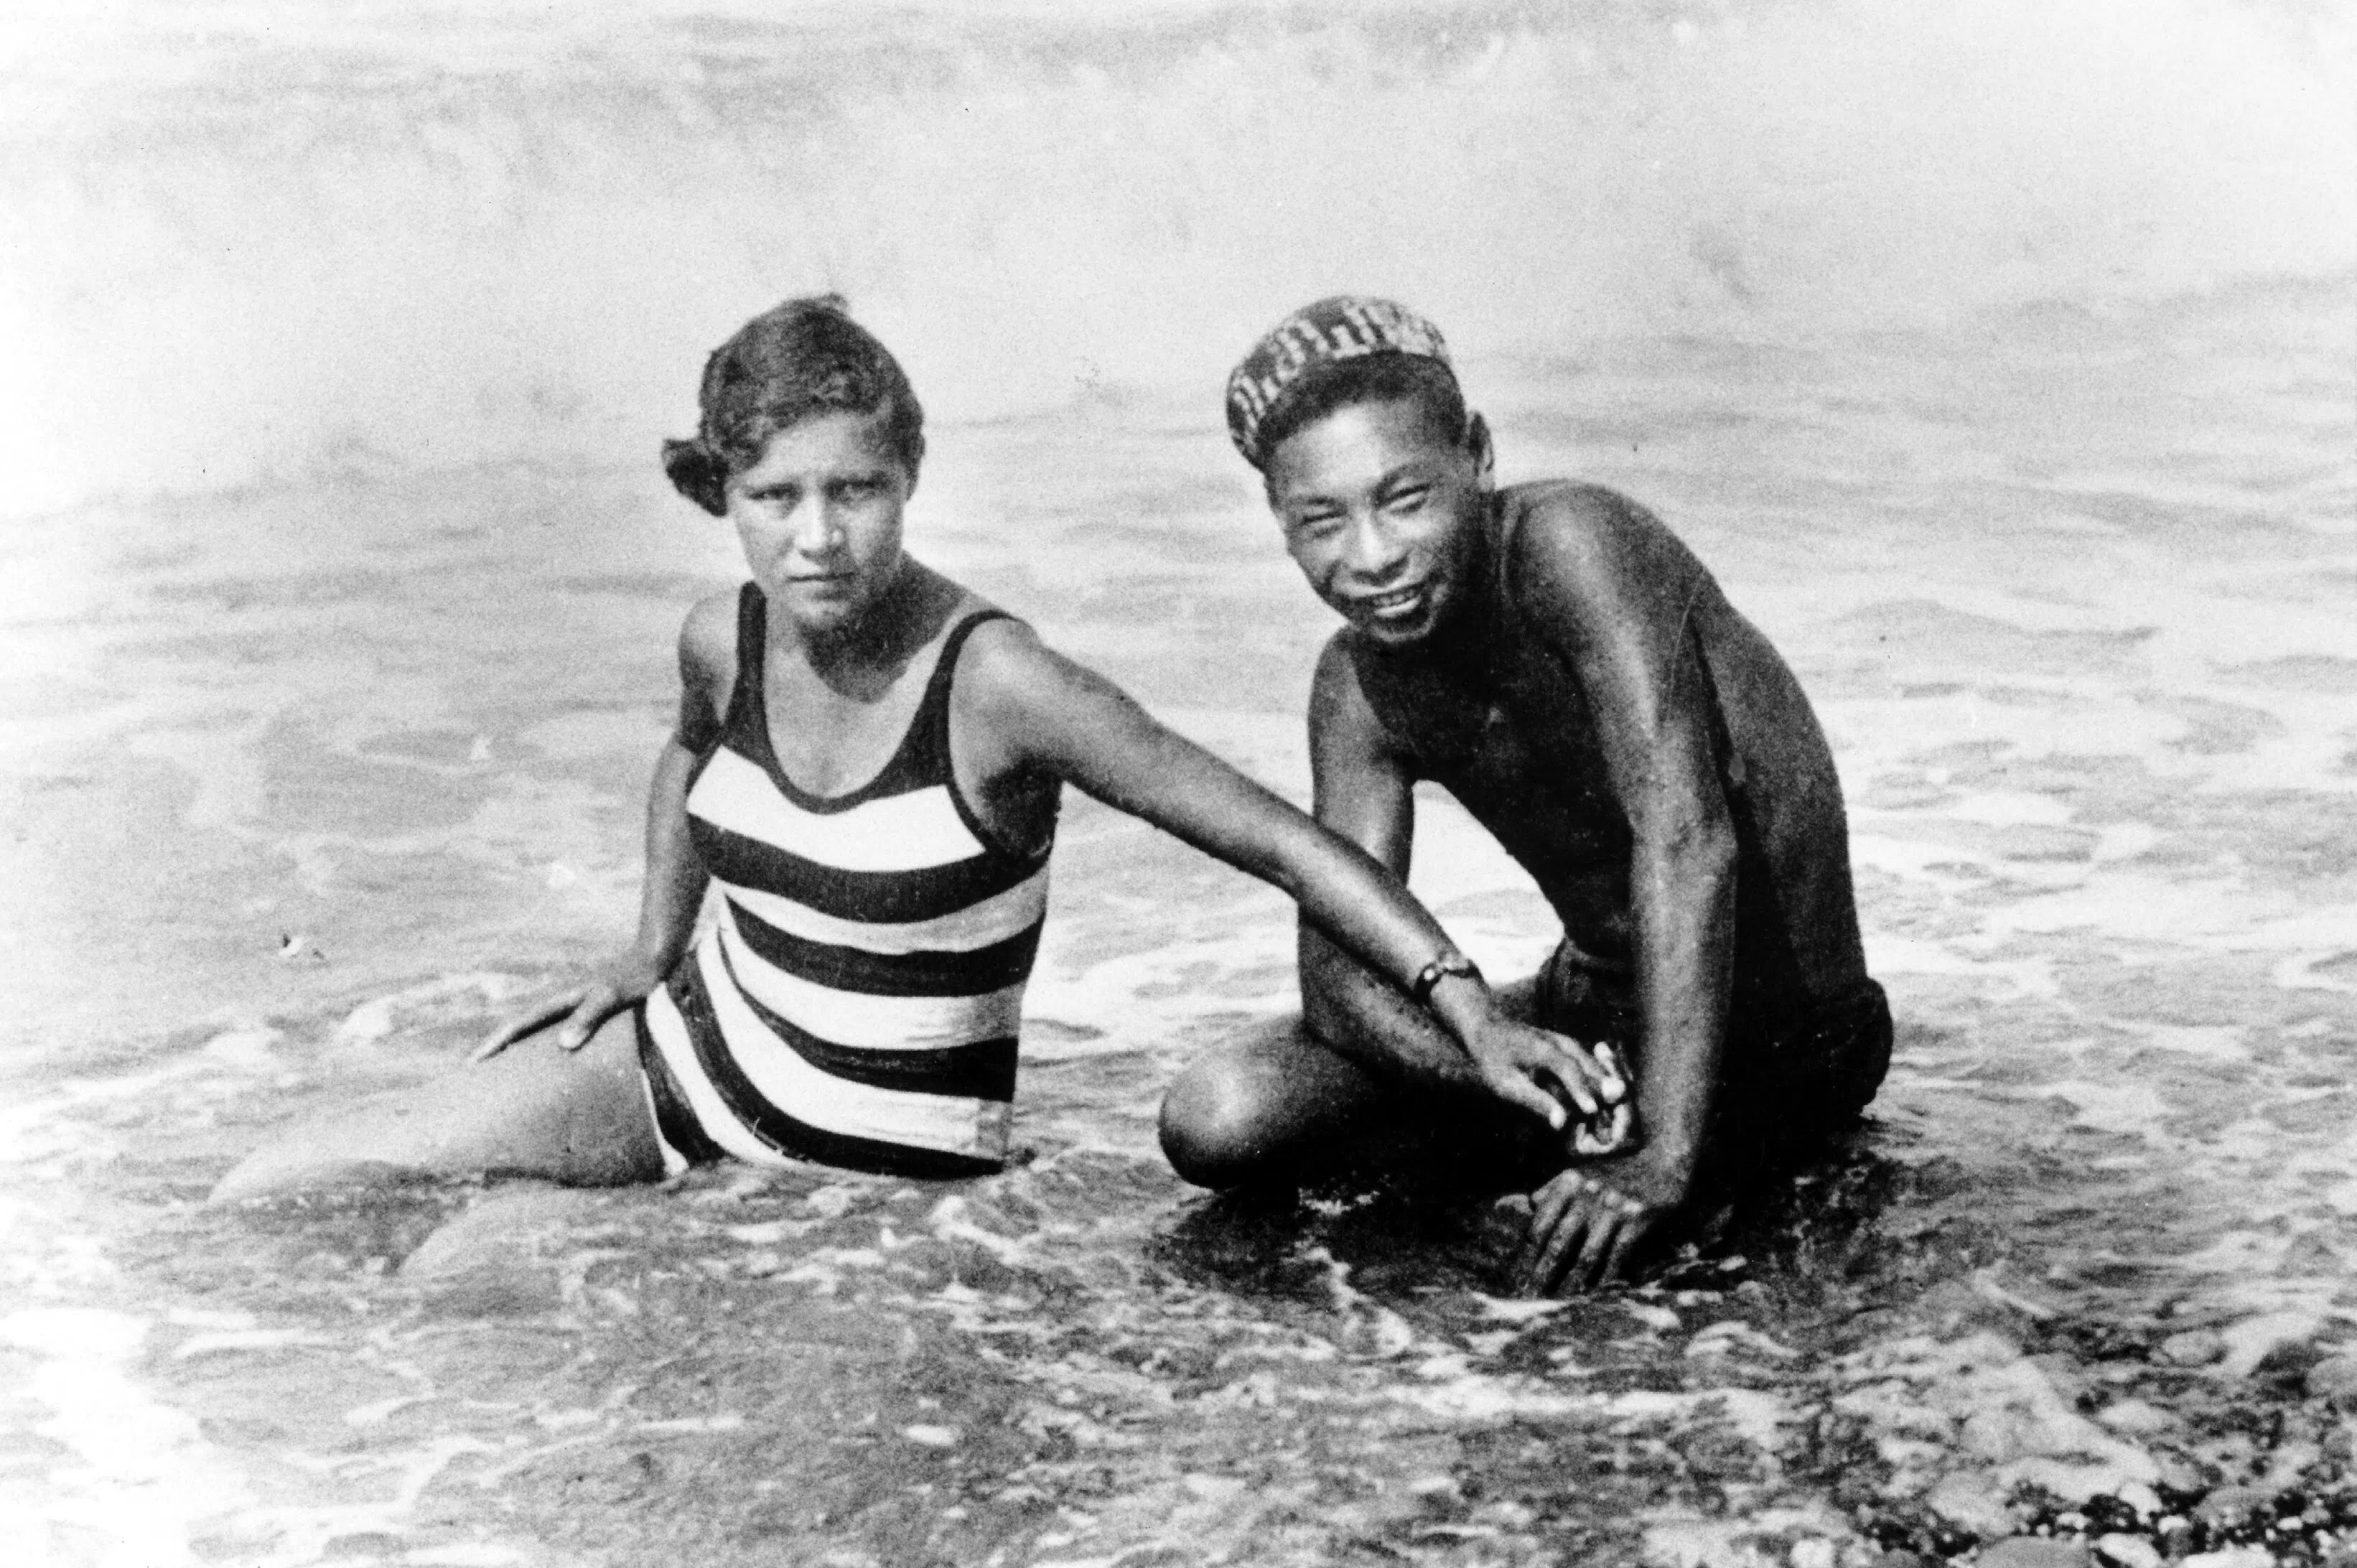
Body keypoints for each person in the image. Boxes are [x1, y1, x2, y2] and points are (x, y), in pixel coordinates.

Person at [212, 296, 1623, 1203]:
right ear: (725, 495)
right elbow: (683, 758)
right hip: (679, 1077)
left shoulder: (996, 681)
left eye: (857, 491)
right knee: (295, 1188)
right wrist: (652, 949)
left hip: (871, 1176)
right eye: (776, 496)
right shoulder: (724, 636)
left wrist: (1468, 1003)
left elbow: (1278, 837)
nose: (818, 537)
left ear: (911, 481)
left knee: (489, 1284)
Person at [1157, 297, 1891, 1294]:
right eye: (1321, 521)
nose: (1370, 558)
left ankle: (1646, 1146)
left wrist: (1659, 1160)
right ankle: (1587, 1122)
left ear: (1478, 457)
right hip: (1592, 1023)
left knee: (1583, 1269)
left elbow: (1686, 842)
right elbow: (1337, 986)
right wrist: (1490, 1053)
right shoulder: (1357, 687)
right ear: (1279, 526)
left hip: (1780, 1040)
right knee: (1220, 1112)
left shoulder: (1571, 543)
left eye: (1404, 497)